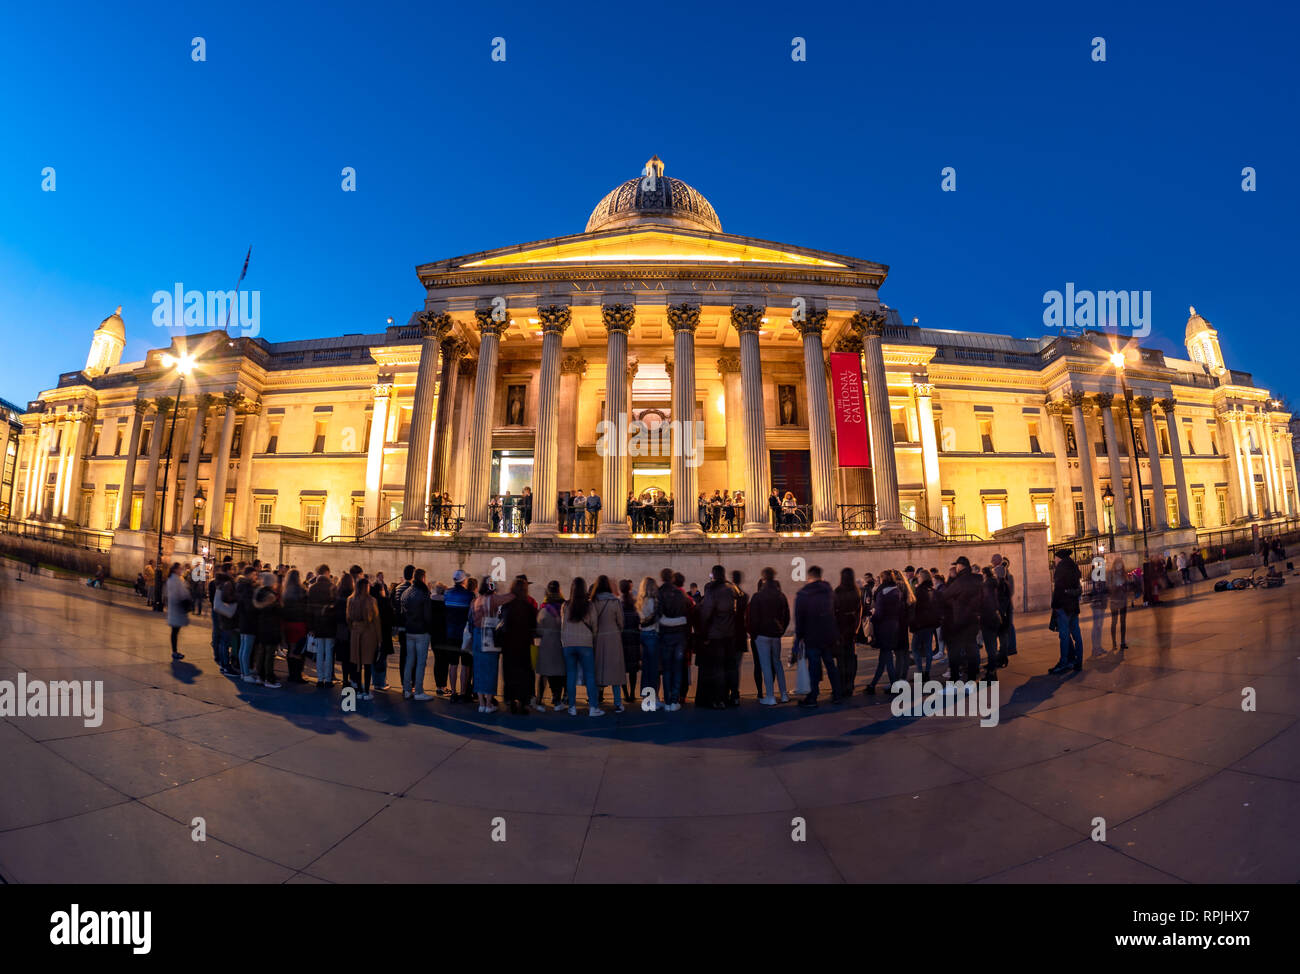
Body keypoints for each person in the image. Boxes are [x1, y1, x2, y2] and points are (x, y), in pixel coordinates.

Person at [794, 565, 840, 706]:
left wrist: (799, 637)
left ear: (809, 577)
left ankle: (813, 696)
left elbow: (799, 618)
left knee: (813, 667)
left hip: (811, 635)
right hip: (828, 635)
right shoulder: (829, 591)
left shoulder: (803, 594)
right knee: (830, 665)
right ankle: (837, 694)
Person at [695, 565, 738, 710]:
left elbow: (706, 613)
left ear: (713, 575)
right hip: (730, 633)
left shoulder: (712, 590)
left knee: (718, 668)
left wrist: (704, 634)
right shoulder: (731, 589)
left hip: (716, 634)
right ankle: (733, 696)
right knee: (730, 666)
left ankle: (719, 699)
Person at [747, 566, 789, 705]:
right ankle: (784, 694)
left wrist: (755, 634)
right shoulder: (780, 595)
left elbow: (753, 617)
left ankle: (770, 696)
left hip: (762, 634)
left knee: (765, 665)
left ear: (764, 578)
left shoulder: (758, 596)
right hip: (776, 633)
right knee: (777, 663)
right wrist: (781, 630)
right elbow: (786, 616)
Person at [561, 577, 602, 716]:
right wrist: (593, 638)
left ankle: (572, 707)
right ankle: (593, 707)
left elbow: (563, 626)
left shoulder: (566, 605)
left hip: (568, 644)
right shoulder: (589, 606)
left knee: (571, 675)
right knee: (590, 675)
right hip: (585, 643)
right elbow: (595, 625)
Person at [939, 556, 983, 682]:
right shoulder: (977, 579)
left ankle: (954, 678)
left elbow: (945, 595)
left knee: (955, 651)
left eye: (957, 565)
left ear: (961, 566)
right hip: (974, 618)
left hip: (961, 619)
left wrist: (951, 579)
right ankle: (972, 678)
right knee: (972, 648)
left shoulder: (960, 581)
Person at [499, 576, 537, 715]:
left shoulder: (507, 606)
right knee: (525, 674)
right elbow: (534, 626)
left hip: (509, 646)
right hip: (525, 645)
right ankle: (523, 701)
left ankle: (511, 700)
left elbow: (502, 623)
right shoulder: (529, 607)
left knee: (510, 674)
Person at [865, 569, 904, 693]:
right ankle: (872, 685)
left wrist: (872, 616)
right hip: (894, 626)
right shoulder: (897, 591)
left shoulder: (882, 593)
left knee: (887, 658)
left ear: (883, 579)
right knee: (884, 658)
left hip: (883, 628)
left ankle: (894, 686)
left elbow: (880, 613)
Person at [656, 568, 690, 711]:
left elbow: (657, 616)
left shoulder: (659, 593)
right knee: (677, 668)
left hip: (665, 635)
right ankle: (675, 700)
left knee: (667, 669)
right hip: (679, 635)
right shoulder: (680, 594)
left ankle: (668, 700)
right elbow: (686, 614)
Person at [471, 576, 505, 712]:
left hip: (477, 636)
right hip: (490, 637)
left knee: (478, 670)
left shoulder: (475, 601)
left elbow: (470, 621)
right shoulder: (494, 601)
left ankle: (481, 703)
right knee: (491, 670)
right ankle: (489, 703)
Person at [1049, 549, 1084, 674]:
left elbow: (1058, 589)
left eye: (1055, 558)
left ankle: (1064, 662)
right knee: (1076, 635)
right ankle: (1078, 661)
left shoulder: (1061, 569)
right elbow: (1078, 588)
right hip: (1074, 607)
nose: (1054, 560)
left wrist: (1055, 606)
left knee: (1064, 636)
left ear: (1060, 558)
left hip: (1063, 607)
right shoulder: (1074, 568)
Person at [401, 569, 434, 700]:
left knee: (409, 661)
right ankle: (419, 691)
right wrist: (429, 628)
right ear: (423, 577)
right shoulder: (424, 593)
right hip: (421, 631)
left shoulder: (406, 592)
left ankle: (407, 689)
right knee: (421, 662)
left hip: (409, 630)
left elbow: (402, 613)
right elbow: (428, 615)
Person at [535, 580, 567, 710]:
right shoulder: (563, 607)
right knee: (559, 673)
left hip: (546, 644)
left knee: (543, 674)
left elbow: (538, 629)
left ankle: (539, 700)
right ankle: (557, 700)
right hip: (560, 644)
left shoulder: (544, 608)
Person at [348, 577, 381, 699]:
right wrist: (379, 638)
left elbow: (349, 619)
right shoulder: (371, 600)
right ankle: (366, 691)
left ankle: (359, 690)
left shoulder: (351, 600)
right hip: (368, 633)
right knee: (367, 664)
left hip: (356, 632)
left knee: (357, 663)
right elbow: (376, 621)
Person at [443, 570, 473, 702]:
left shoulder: (447, 593)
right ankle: (463, 693)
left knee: (453, 664)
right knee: (465, 665)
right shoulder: (469, 595)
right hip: (464, 634)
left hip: (450, 633)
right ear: (463, 581)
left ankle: (453, 692)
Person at [832, 567, 861, 696]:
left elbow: (833, 611)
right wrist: (856, 628)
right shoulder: (856, 591)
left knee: (841, 659)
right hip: (851, 627)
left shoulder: (838, 591)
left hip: (840, 628)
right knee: (851, 658)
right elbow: (859, 611)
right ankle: (850, 684)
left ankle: (841, 685)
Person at [307, 566, 336, 687]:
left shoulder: (312, 588)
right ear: (327, 573)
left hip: (317, 624)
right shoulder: (333, 587)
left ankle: (320, 679)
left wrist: (311, 627)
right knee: (329, 653)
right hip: (330, 624)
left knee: (319, 652)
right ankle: (328, 679)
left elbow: (309, 609)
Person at [909, 569, 939, 680]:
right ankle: (927, 672)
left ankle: (920, 673)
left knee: (915, 648)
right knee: (928, 648)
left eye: (919, 577)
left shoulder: (919, 590)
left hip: (920, 624)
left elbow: (915, 608)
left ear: (922, 578)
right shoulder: (932, 590)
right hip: (930, 623)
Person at [281, 569, 310, 683]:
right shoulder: (302, 591)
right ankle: (298, 675)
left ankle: (291, 674)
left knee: (291, 649)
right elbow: (307, 608)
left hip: (288, 623)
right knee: (299, 650)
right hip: (300, 623)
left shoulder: (285, 591)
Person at [636, 576, 660, 703]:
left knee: (646, 668)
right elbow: (655, 619)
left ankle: (646, 697)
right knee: (653, 668)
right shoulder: (653, 601)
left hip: (643, 635)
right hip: (652, 634)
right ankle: (653, 698)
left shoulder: (640, 602)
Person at [727, 569, 749, 705]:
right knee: (736, 666)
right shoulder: (744, 596)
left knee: (729, 665)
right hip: (740, 633)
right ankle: (735, 693)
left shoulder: (728, 594)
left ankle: (730, 692)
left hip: (729, 634)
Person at [619, 578, 642, 703]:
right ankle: (632, 693)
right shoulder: (634, 604)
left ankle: (626, 694)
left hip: (622, 638)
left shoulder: (618, 604)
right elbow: (639, 621)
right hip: (633, 637)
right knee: (633, 669)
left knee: (622, 668)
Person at [163, 562, 189, 661]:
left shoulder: (175, 579)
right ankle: (174, 652)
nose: (181, 570)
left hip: (176, 609)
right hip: (176, 609)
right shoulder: (174, 580)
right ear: (174, 570)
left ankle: (175, 651)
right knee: (175, 632)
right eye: (179, 568)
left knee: (175, 631)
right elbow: (175, 595)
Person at [1109, 555, 1129, 653]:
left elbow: (1127, 587)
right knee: (1114, 622)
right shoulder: (1111, 574)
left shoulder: (1124, 574)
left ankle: (1122, 642)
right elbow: (1108, 588)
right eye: (1117, 563)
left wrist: (1125, 587)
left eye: (1120, 563)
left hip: (1123, 601)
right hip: (1114, 601)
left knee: (1123, 622)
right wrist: (1115, 587)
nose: (1119, 565)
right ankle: (1114, 643)